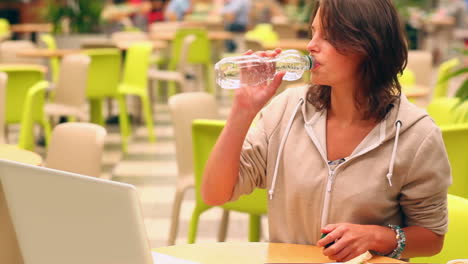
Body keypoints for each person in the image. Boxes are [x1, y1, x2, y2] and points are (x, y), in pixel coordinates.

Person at [202, 0, 451, 261]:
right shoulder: (287, 110)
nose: (311, 45)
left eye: (328, 36)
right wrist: (243, 110)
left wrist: (376, 236)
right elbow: (215, 193)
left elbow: (432, 237)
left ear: (368, 45)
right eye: (313, 32)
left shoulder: (416, 134)